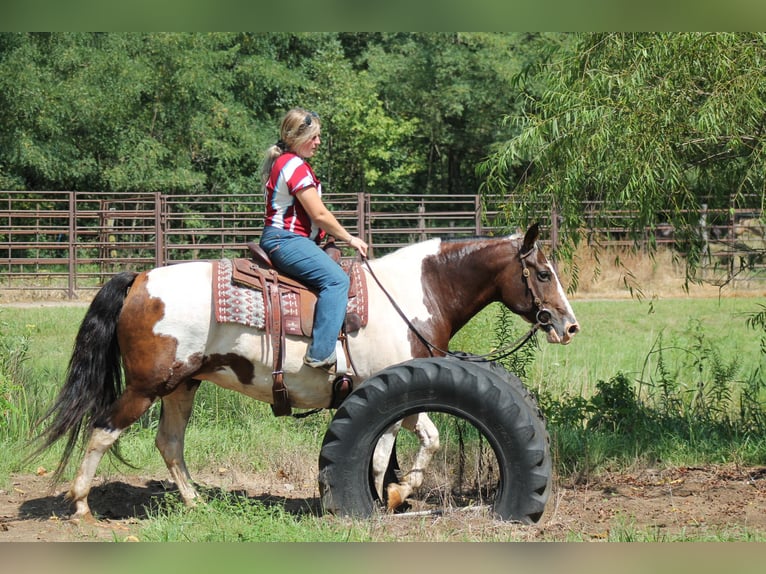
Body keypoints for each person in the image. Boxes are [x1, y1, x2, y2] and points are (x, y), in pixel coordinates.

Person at [259, 108, 368, 371]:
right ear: (296, 137)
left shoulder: (286, 163)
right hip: (286, 240)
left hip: (288, 239)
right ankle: (320, 354)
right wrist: (350, 238)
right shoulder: (294, 165)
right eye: (314, 137)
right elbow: (318, 213)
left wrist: (325, 236)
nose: (318, 142)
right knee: (336, 280)